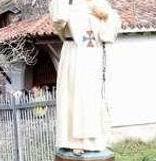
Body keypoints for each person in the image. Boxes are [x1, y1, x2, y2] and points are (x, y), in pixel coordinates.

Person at [49, 0, 120, 153]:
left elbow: (110, 30)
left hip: (93, 53)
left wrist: (106, 16)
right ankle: (75, 142)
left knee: (92, 96)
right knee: (74, 94)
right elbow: (58, 19)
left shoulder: (98, 2)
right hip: (74, 52)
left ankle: (94, 140)